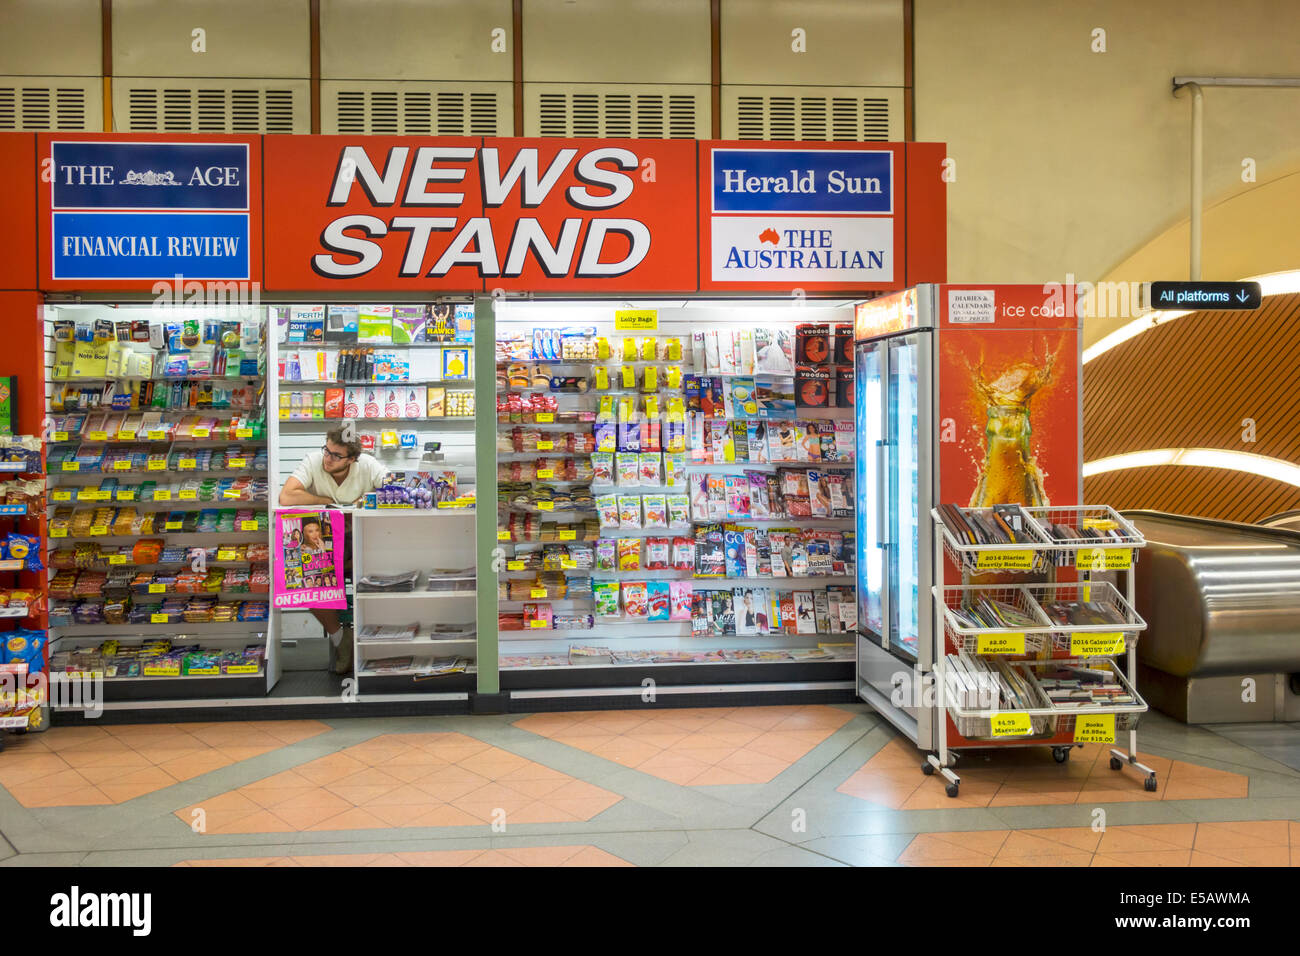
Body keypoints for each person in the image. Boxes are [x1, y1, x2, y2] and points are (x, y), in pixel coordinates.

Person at [279, 427, 388, 674]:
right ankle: (341, 639)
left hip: (362, 540)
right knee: (305, 579)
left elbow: (395, 488)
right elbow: (286, 496)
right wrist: (330, 504)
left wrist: (368, 502)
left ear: (352, 459)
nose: (328, 458)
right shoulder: (313, 461)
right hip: (323, 541)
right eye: (326, 450)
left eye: (336, 455)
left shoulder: (368, 465)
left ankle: (373, 644)